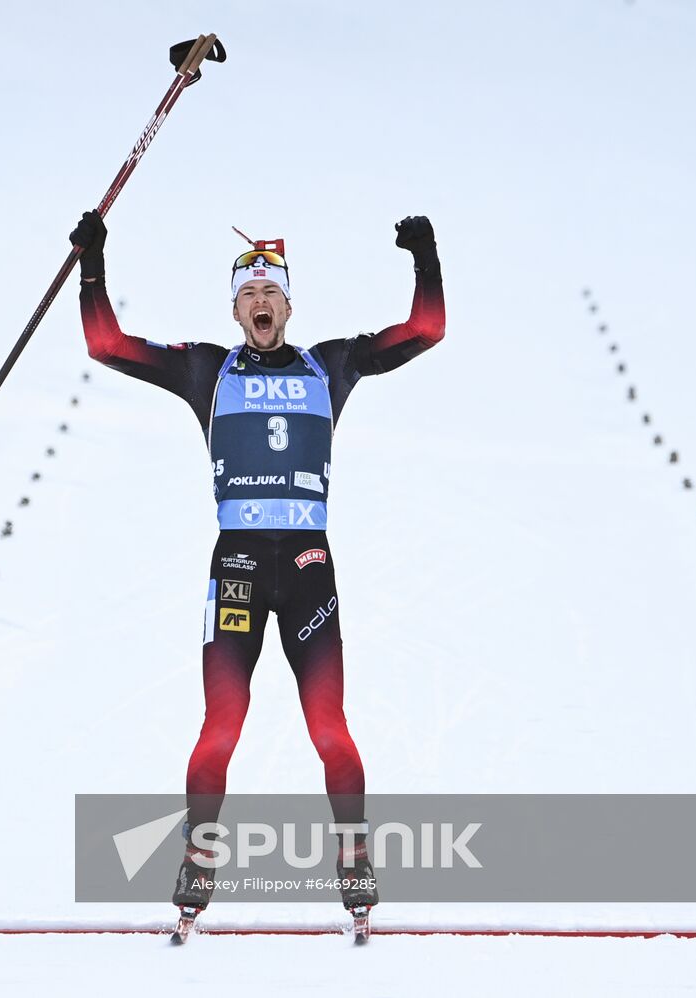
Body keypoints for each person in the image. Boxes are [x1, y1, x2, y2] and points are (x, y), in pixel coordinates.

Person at [70, 211, 446, 916]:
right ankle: (199, 862)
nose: (260, 302)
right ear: (236, 308)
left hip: (307, 568)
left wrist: (424, 255)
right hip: (238, 564)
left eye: (271, 292)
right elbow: (104, 343)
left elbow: (426, 330)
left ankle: (355, 861)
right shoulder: (206, 369)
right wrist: (93, 264)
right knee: (221, 724)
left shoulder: (326, 364)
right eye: (248, 293)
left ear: (289, 306)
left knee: (329, 726)